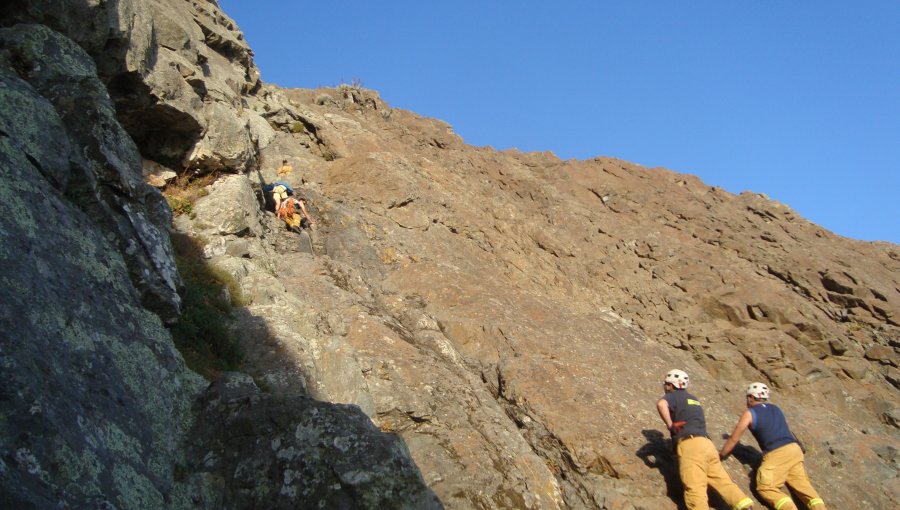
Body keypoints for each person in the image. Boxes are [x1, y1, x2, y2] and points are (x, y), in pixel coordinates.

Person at [657, 369, 754, 510]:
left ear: (670, 385)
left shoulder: (674, 396)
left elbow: (661, 404)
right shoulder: (693, 399)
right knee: (723, 481)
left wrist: (670, 425)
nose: (666, 387)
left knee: (695, 487)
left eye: (667, 384)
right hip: (707, 445)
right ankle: (745, 506)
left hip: (690, 445)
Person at [719, 383, 826, 510]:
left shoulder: (750, 413)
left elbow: (734, 437)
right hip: (794, 449)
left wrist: (721, 454)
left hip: (777, 452)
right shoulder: (776, 409)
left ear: (751, 397)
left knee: (766, 487)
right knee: (804, 487)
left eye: (748, 397)